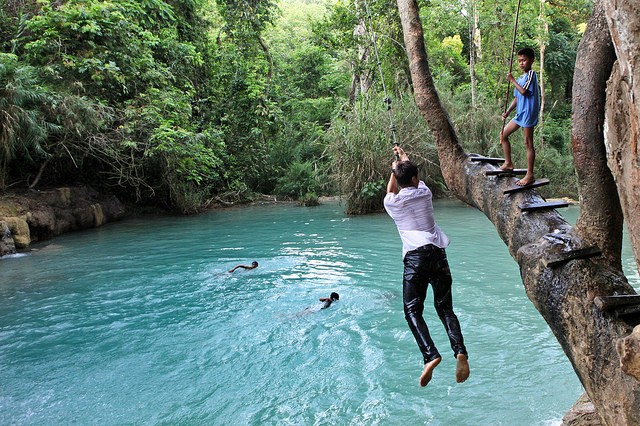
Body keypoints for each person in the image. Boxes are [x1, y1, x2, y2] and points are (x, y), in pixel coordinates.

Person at [384, 146, 470, 387]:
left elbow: (391, 190)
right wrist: (403, 158)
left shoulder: (394, 204)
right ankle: (460, 350)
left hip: (415, 259)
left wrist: (394, 169)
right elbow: (411, 175)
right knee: (445, 308)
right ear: (415, 179)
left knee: (412, 310)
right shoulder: (425, 192)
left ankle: (430, 355)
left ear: (399, 180)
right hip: (438, 255)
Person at [499, 47, 540, 186]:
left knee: (528, 142)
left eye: (524, 60)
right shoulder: (522, 77)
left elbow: (523, 91)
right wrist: (508, 112)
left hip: (528, 112)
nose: (521, 63)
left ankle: (530, 175)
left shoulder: (531, 75)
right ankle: (508, 163)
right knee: (503, 134)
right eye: (519, 61)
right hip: (520, 113)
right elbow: (517, 98)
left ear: (531, 60)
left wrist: (511, 80)